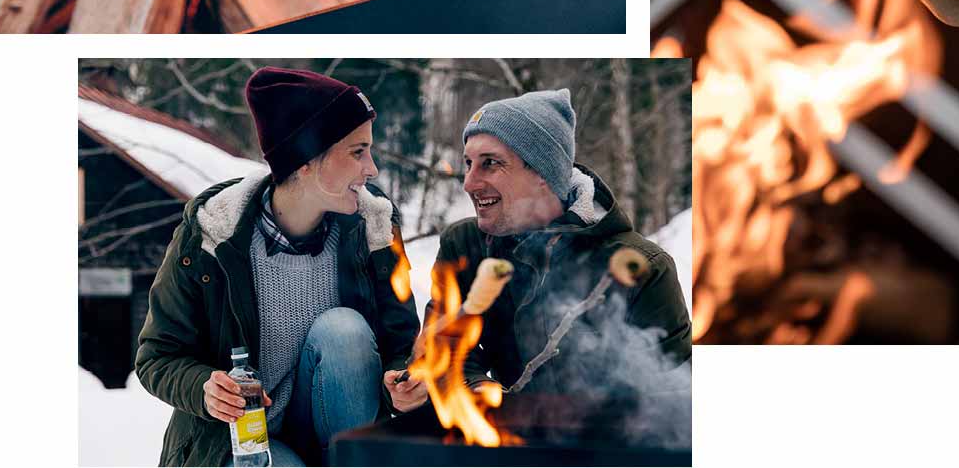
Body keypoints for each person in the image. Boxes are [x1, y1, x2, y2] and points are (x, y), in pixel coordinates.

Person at [135, 67, 427, 467]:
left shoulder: (372, 232)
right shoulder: (211, 236)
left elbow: (402, 347)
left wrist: (402, 380)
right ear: (305, 161)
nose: (371, 169)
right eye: (358, 152)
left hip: (335, 434)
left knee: (345, 329)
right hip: (238, 443)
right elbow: (157, 356)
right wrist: (203, 387)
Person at [409, 88, 691, 403]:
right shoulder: (465, 247)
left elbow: (675, 394)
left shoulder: (643, 267)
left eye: (490, 163)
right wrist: (478, 390)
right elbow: (443, 347)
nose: (469, 183)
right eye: (468, 163)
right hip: (500, 441)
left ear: (543, 173)